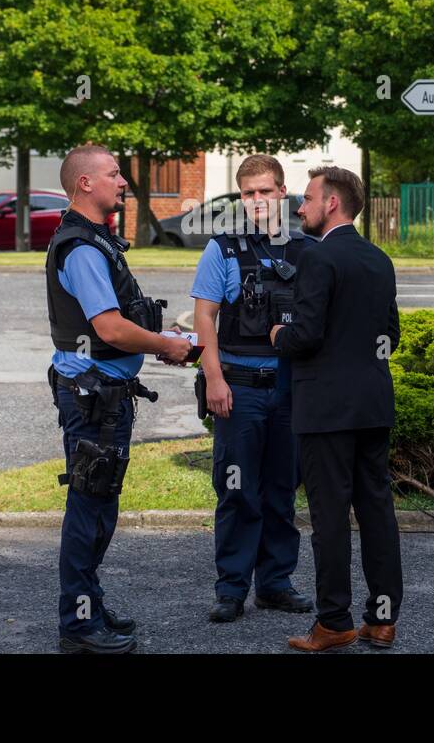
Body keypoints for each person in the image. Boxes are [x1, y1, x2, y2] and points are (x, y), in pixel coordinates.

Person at [46, 144, 191, 653]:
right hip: (94, 399)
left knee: (99, 506)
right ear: (85, 183)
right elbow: (108, 327)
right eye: (113, 174)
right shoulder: (83, 247)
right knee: (90, 508)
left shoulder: (95, 241)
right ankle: (79, 624)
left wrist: (162, 333)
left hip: (103, 395)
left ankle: (88, 603)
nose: (123, 181)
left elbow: (119, 319)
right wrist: (167, 346)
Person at [270, 165, 403, 651]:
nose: (300, 208)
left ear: (331, 204)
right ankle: (382, 618)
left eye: (307, 199)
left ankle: (333, 622)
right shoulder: (379, 260)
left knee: (329, 517)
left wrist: (279, 335)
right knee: (376, 512)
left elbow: (306, 334)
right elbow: (392, 334)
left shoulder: (317, 259)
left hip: (325, 409)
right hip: (372, 403)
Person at [190, 155, 314, 623]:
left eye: (265, 191)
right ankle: (232, 588)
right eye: (248, 193)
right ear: (240, 197)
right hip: (238, 390)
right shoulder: (221, 249)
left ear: (283, 192)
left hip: (289, 388)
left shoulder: (307, 249)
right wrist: (215, 379)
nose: (257, 200)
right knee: (237, 490)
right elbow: (205, 318)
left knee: (282, 489)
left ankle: (276, 584)